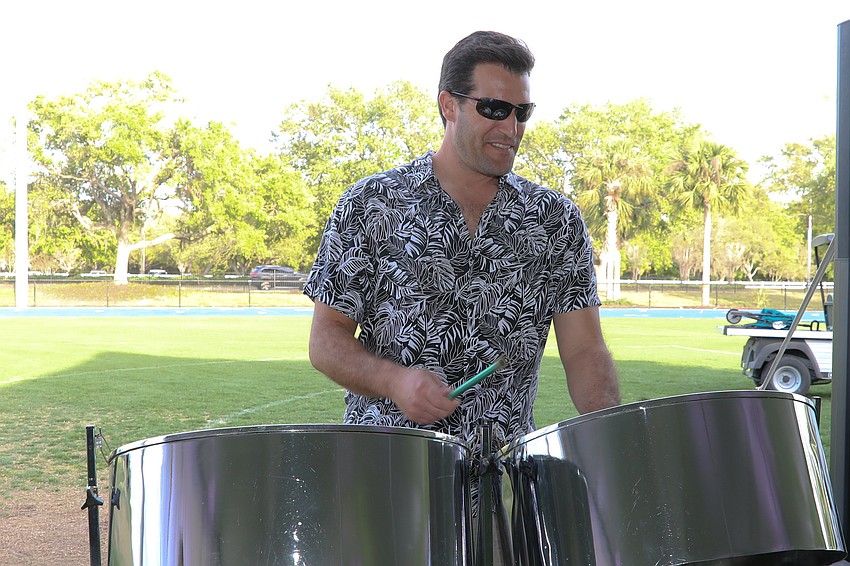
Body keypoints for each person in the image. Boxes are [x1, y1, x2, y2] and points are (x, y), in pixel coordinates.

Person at [303, 29, 620, 482]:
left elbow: (586, 351)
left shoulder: (555, 220)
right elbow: (326, 341)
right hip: (387, 480)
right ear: (448, 105)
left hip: (508, 489)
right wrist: (396, 382)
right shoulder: (370, 204)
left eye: (522, 112)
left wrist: (615, 434)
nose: (511, 129)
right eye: (494, 109)